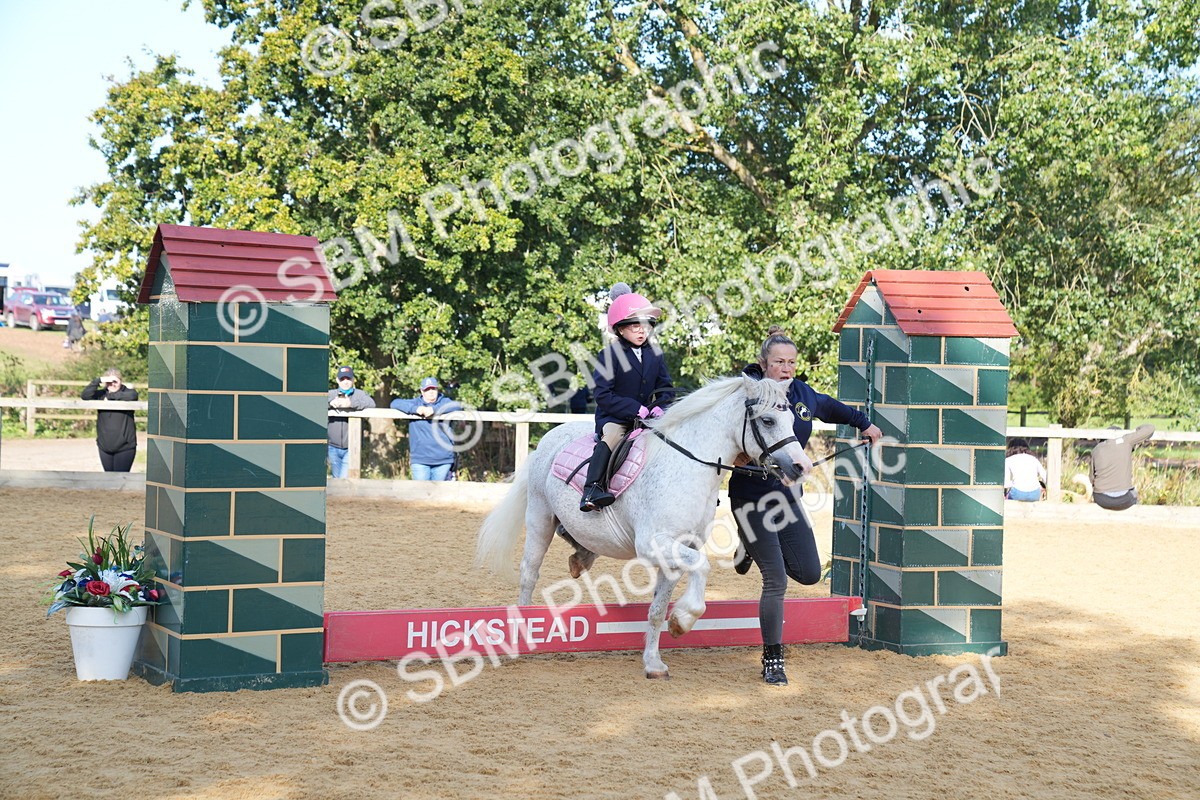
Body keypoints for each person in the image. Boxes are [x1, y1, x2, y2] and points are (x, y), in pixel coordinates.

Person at [729, 326, 882, 686]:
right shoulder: (745, 393)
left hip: (784, 496)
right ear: (763, 363)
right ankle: (772, 659)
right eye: (779, 362)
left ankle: (747, 545)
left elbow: (829, 407)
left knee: (810, 573)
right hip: (750, 495)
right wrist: (736, 455)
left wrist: (866, 424)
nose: (786, 368)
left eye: (792, 362)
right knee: (776, 579)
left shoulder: (801, 394)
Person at [580, 283, 676, 512]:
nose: (642, 331)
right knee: (612, 437)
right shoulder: (609, 355)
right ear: (620, 330)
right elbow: (602, 394)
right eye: (635, 326)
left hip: (648, 417)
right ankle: (592, 488)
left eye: (646, 326)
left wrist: (660, 406)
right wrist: (635, 409)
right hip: (615, 418)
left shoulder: (655, 355)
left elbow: (666, 387)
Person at [390, 376, 462, 480]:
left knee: (438, 493)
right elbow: (395, 403)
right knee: (420, 492)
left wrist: (434, 410)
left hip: (443, 459)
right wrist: (416, 409)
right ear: (422, 391)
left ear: (437, 390)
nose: (431, 392)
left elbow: (457, 405)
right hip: (420, 459)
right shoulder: (416, 403)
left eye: (433, 389)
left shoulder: (445, 402)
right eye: (427, 389)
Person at [81, 369, 139, 472]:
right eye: (109, 382)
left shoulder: (128, 392)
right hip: (104, 446)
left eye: (115, 381)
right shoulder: (101, 395)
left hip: (125, 446)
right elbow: (85, 396)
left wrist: (110, 397)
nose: (112, 384)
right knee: (109, 480)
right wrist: (99, 380)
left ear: (121, 381)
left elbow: (133, 396)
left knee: (121, 479)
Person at [1091, 424, 1155, 510]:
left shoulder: (1096, 449)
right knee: (1134, 494)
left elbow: (1092, 478)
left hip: (1101, 499)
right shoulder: (1126, 441)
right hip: (1124, 499)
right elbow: (1150, 428)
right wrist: (1135, 431)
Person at [327, 366, 376, 478]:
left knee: (345, 480)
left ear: (353, 380)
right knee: (336, 480)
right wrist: (330, 403)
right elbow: (316, 402)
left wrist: (351, 404)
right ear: (337, 380)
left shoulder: (360, 394)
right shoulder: (331, 394)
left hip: (351, 447)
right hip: (332, 446)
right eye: (342, 379)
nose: (345, 382)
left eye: (348, 379)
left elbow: (371, 403)